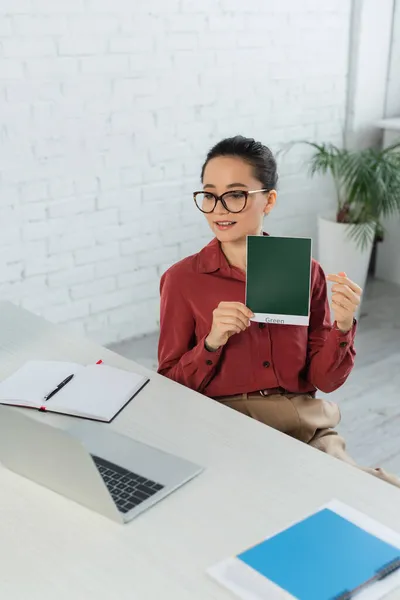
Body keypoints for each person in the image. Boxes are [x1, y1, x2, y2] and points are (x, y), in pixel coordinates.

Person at [158, 135, 400, 489]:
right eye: (209, 195)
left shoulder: (306, 272)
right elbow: (167, 388)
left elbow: (326, 380)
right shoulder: (182, 280)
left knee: (379, 496)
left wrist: (343, 327)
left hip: (306, 427)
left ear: (268, 200)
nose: (219, 208)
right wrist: (210, 343)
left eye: (236, 194)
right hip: (228, 427)